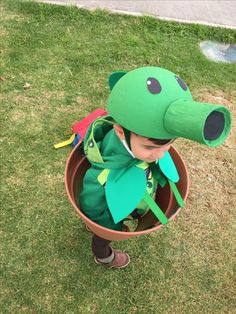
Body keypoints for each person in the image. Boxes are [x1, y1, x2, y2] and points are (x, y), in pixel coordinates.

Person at [78, 66, 231, 269]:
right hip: (106, 215)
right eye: (150, 147)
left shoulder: (141, 141)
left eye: (169, 145)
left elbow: (157, 153)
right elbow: (91, 204)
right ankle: (103, 256)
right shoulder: (104, 174)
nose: (161, 154)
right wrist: (107, 227)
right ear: (121, 132)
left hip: (132, 197)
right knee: (101, 237)